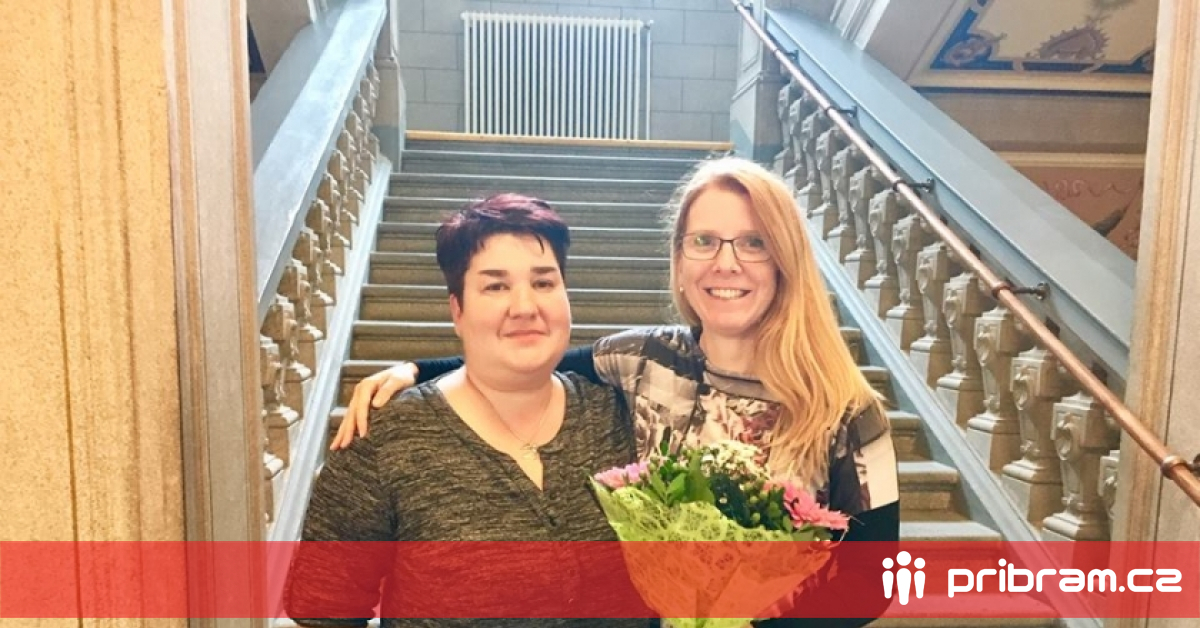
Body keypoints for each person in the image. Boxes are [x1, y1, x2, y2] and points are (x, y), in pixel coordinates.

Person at [334, 157, 901, 626]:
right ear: (680, 260)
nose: (725, 263)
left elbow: (874, 583)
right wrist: (416, 370)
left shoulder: (849, 410)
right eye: (704, 241)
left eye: (754, 242)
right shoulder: (642, 360)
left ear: (785, 260)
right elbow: (527, 354)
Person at [284, 195, 650, 628]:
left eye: (543, 283)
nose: (525, 307)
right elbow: (323, 609)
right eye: (496, 286)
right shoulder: (387, 438)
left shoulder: (620, 416)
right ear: (457, 310)